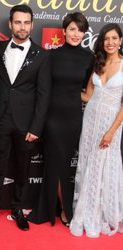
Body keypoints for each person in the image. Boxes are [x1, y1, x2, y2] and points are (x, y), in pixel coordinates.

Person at [0, 4, 51, 231]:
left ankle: (18, 208)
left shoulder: (42, 55)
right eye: (17, 22)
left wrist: (36, 127)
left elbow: (43, 94)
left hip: (26, 123)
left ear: (32, 24)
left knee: (23, 168)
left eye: (26, 22)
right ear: (10, 24)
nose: (22, 27)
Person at [27, 12, 94, 227]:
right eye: (72, 29)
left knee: (65, 165)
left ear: (84, 33)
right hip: (52, 119)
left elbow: (88, 92)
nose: (76, 33)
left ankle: (55, 207)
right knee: (55, 164)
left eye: (80, 29)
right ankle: (64, 209)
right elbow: (42, 90)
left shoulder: (89, 57)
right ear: (64, 31)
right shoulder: (50, 56)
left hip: (73, 118)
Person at [70, 23, 123, 238]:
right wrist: (64, 92)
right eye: (106, 39)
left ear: (120, 40)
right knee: (88, 163)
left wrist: (111, 132)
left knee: (105, 164)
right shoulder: (98, 63)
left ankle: (102, 213)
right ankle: (86, 209)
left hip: (111, 123)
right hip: (90, 120)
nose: (110, 42)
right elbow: (88, 96)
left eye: (114, 38)